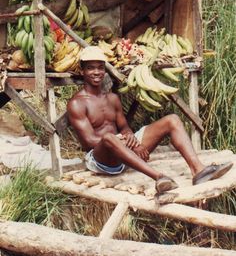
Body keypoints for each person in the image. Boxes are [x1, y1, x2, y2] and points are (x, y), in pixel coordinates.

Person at [67, 46, 233, 195]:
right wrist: (123, 141)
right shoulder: (77, 103)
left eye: (100, 68)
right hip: (101, 159)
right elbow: (89, 141)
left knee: (172, 120)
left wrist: (133, 140)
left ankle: (198, 171)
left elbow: (124, 127)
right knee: (109, 138)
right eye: (90, 68)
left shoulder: (112, 98)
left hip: (123, 151)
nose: (96, 72)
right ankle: (160, 178)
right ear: (82, 71)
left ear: (104, 70)